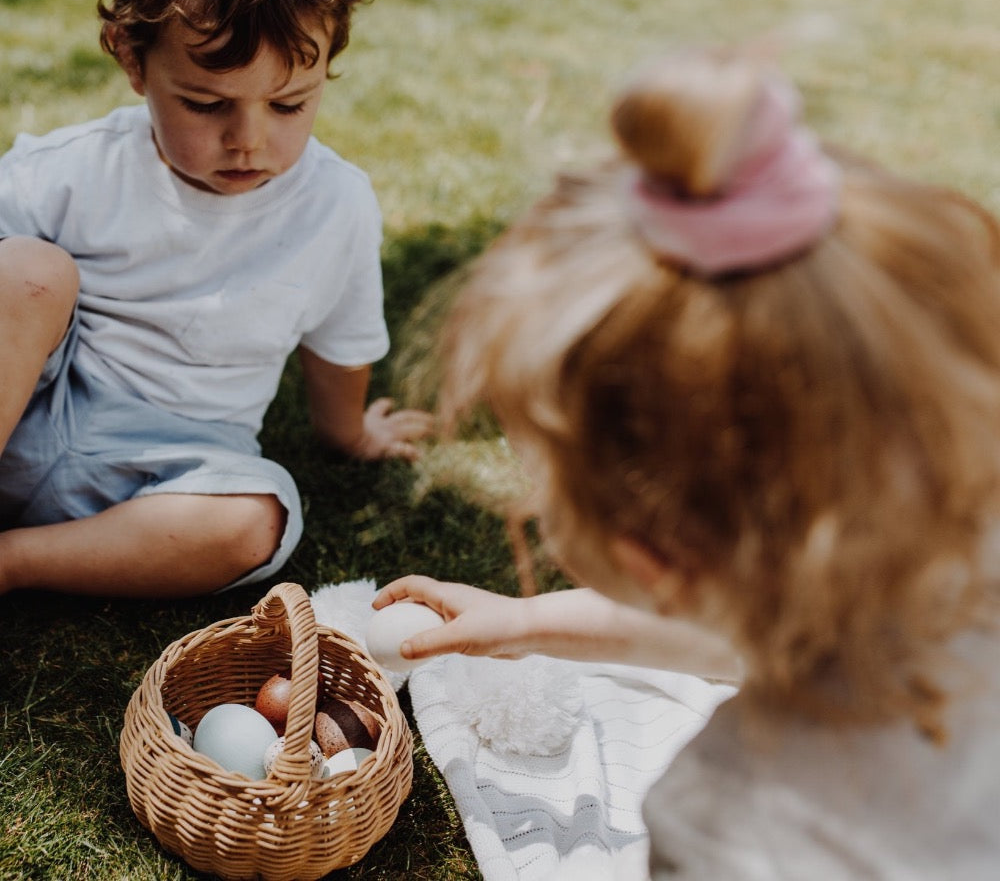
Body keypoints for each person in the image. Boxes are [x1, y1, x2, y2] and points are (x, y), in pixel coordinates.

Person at [374, 47, 1000, 878]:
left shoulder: (732, 827)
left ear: (650, 560)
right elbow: (743, 620)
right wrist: (528, 625)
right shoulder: (948, 538)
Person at [0, 0, 433, 598]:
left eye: (289, 104)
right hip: (35, 410)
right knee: (26, 269)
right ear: (131, 59)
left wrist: (352, 434)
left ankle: (16, 561)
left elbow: (341, 346)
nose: (248, 139)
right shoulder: (73, 169)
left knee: (259, 518)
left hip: (176, 471)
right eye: (206, 104)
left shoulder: (337, 206)